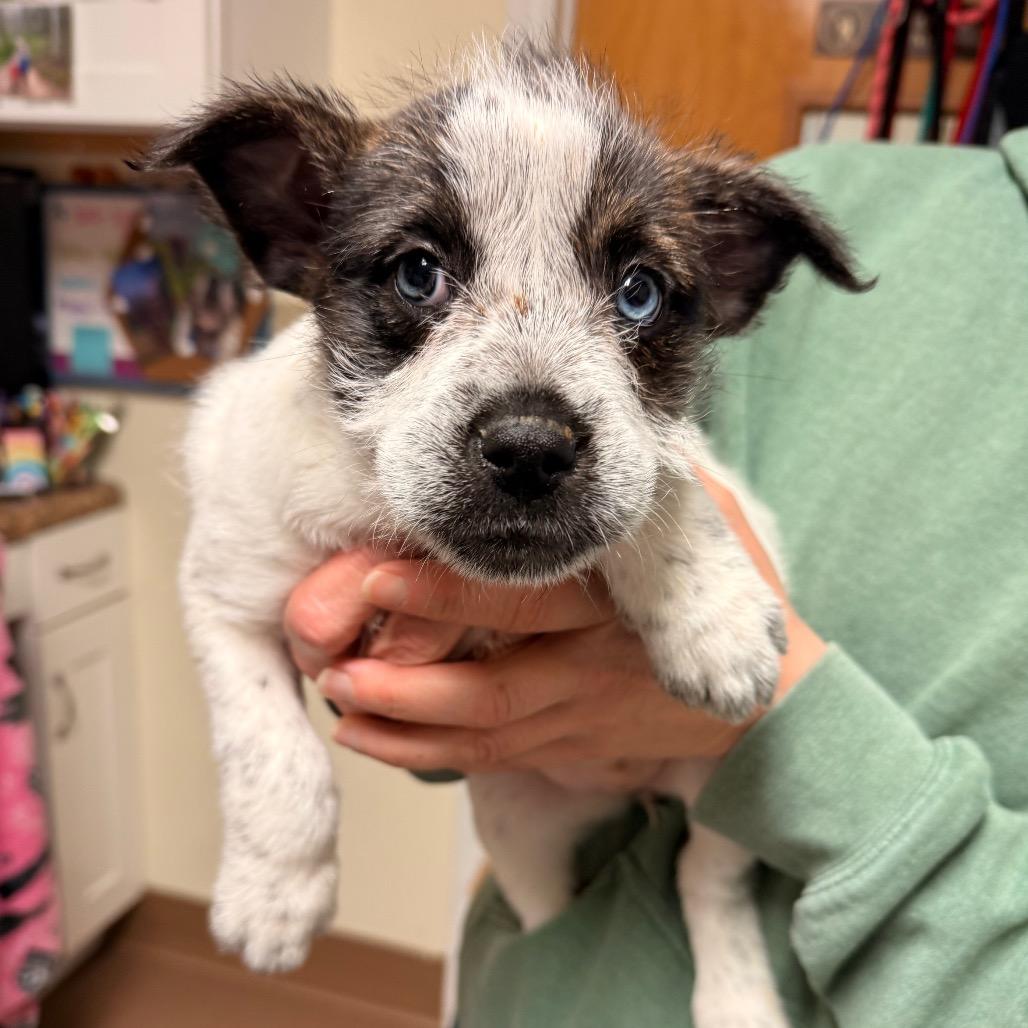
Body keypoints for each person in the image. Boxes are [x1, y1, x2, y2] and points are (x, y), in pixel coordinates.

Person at [283, 128, 1028, 1026]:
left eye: (634, 295)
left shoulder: (735, 222)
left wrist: (776, 733)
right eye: (420, 277)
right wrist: (429, 674)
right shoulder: (837, 185)